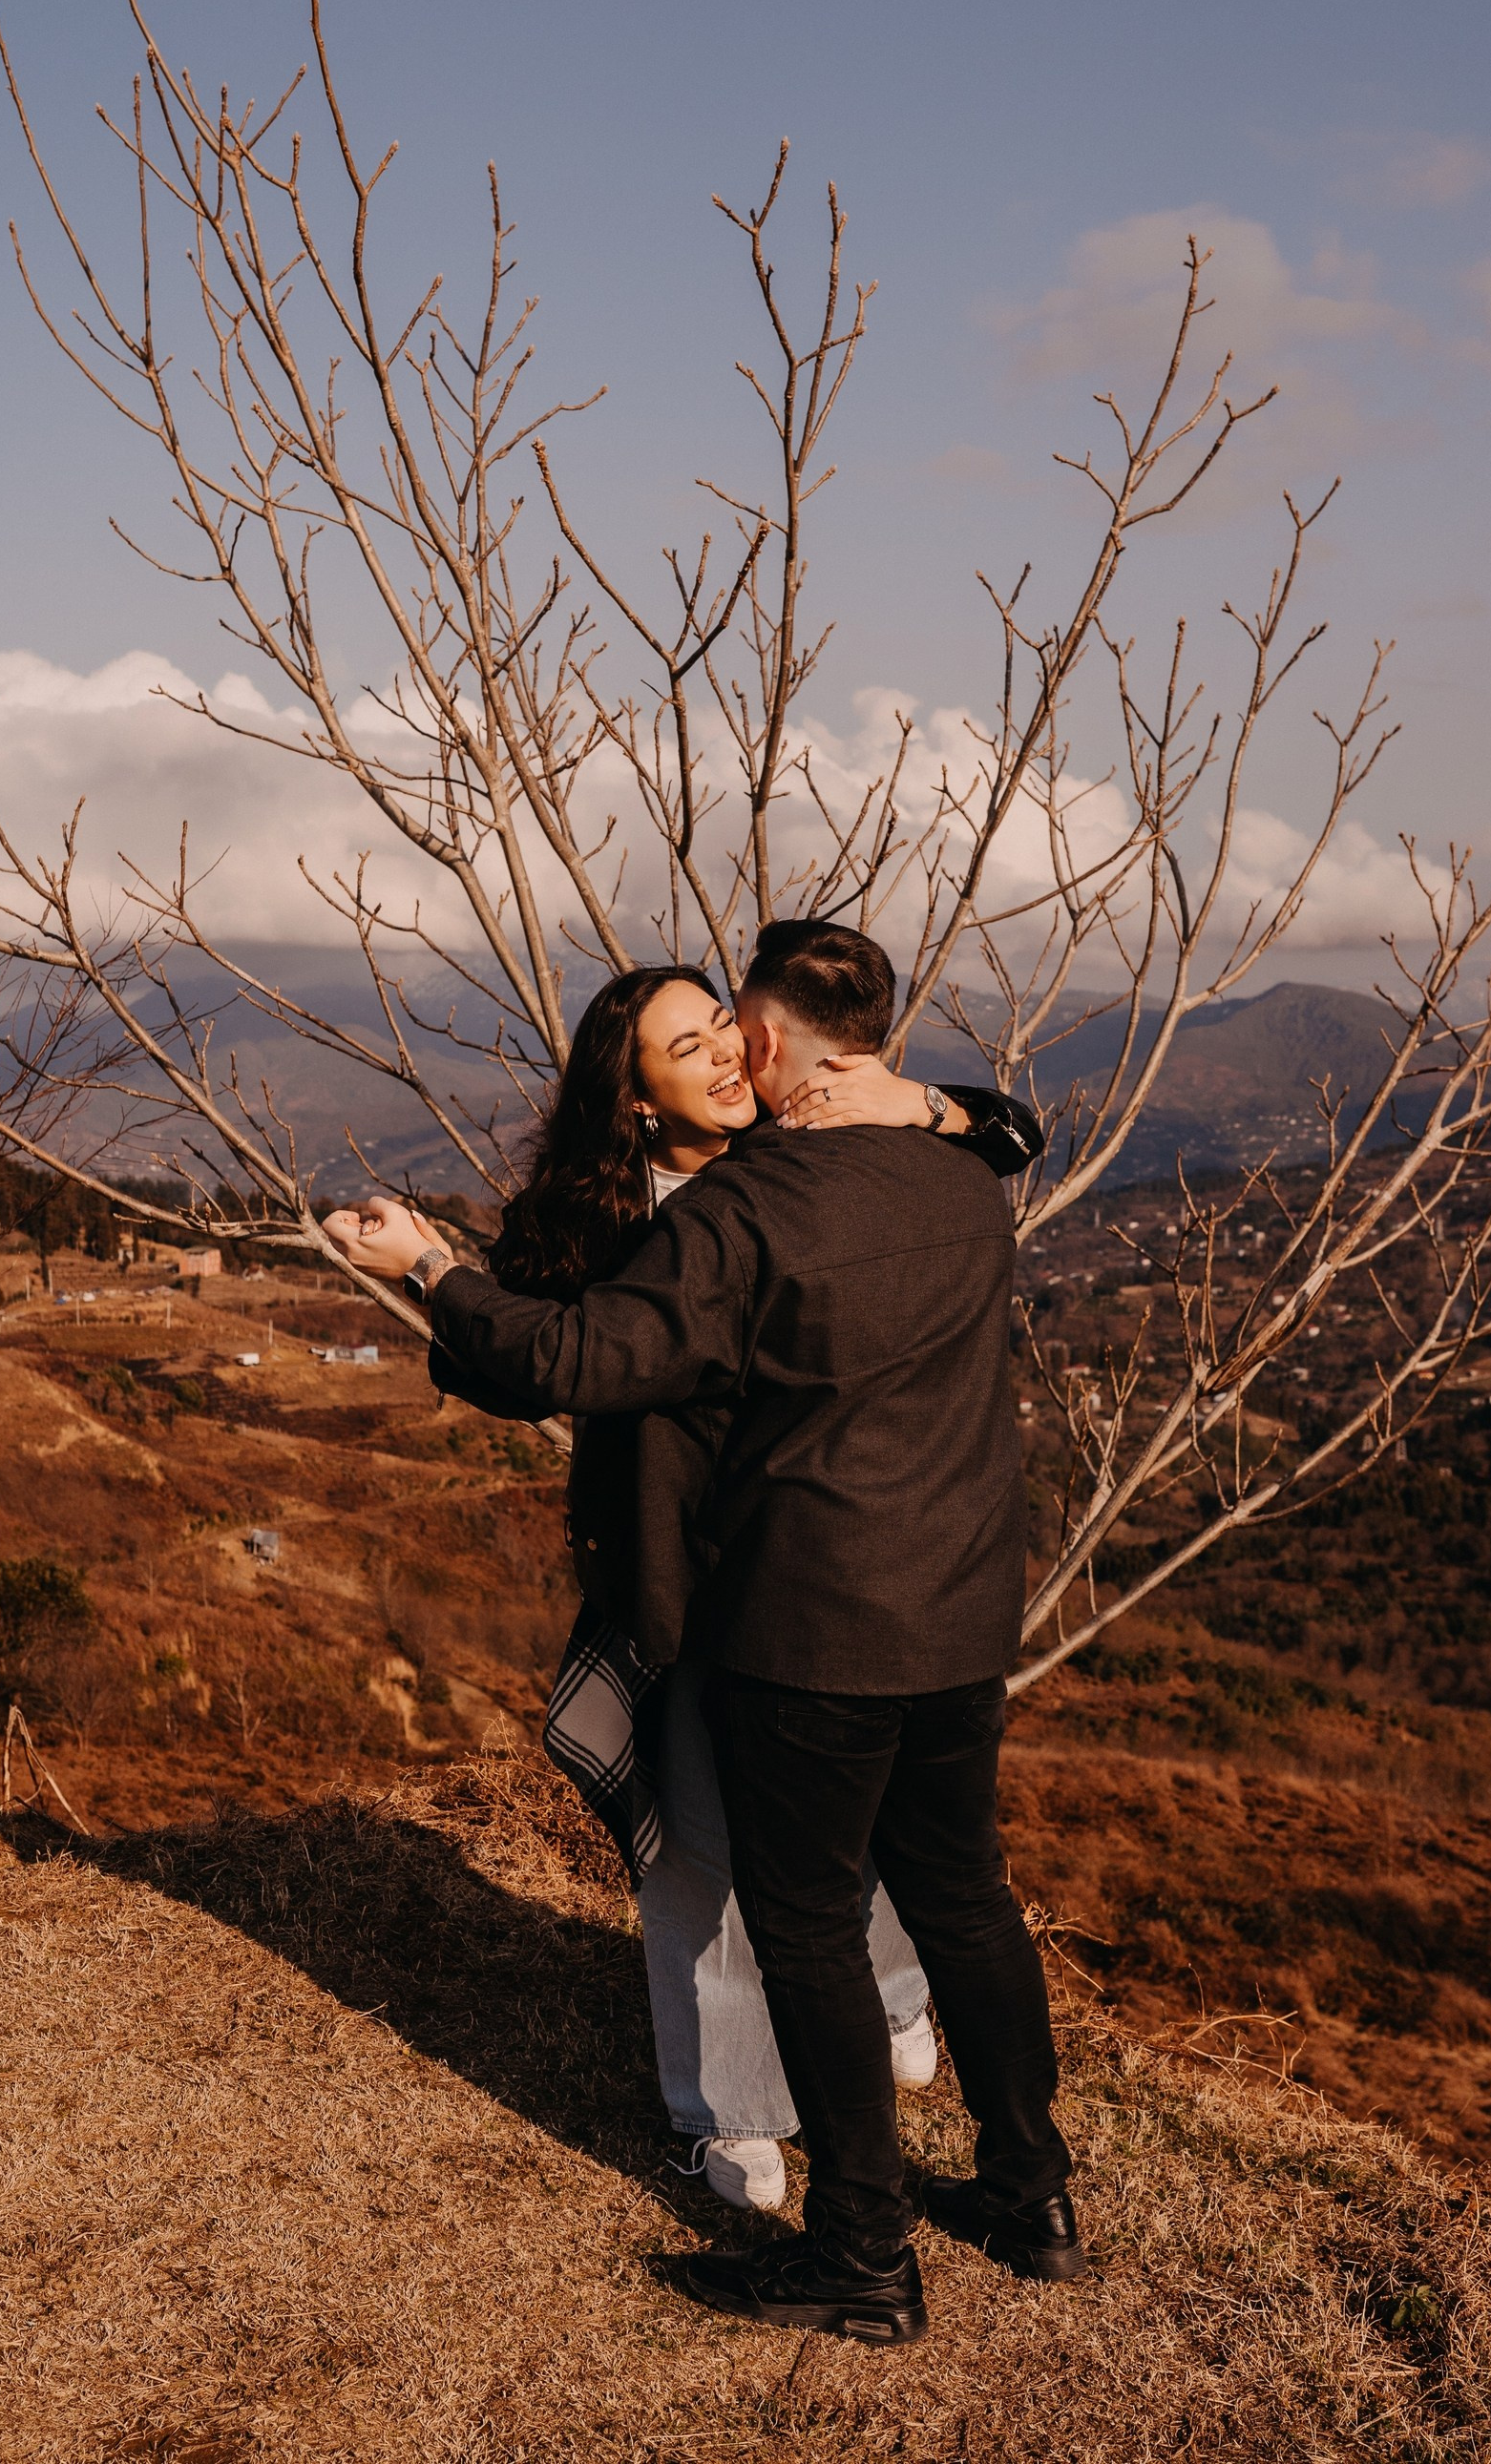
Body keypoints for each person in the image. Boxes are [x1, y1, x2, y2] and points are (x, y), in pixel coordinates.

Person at [326, 921, 1074, 2345]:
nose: (731, 1052)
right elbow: (1000, 1129)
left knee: (803, 1930)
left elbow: (565, 1357)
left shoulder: (748, 1211)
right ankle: (1032, 2195)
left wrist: (423, 1266)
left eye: (735, 1028)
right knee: (965, 1895)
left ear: (778, 1043)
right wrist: (936, 1104)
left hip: (815, 1624)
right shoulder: (965, 1170)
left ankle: (862, 2251)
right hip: (963, 1607)